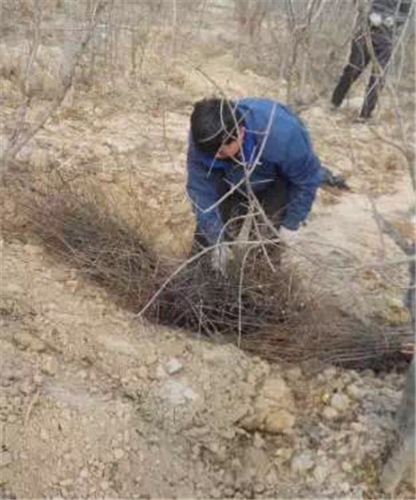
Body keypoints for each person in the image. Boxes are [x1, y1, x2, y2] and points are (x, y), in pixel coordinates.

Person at [186, 97, 341, 275]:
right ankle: (199, 276)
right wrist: (215, 239)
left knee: (265, 242)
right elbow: (201, 191)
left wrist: (291, 223)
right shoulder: (204, 138)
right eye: (210, 153)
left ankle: (260, 278)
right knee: (207, 242)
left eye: (221, 152)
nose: (214, 157)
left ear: (241, 132)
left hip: (275, 177)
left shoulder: (283, 135)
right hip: (228, 176)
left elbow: (306, 179)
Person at [331, 0, 413, 120]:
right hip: (365, 33)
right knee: (354, 68)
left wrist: (393, 20)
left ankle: (365, 115)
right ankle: (335, 102)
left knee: (377, 77)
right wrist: (369, 14)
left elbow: (404, 15)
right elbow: (361, 4)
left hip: (386, 40)